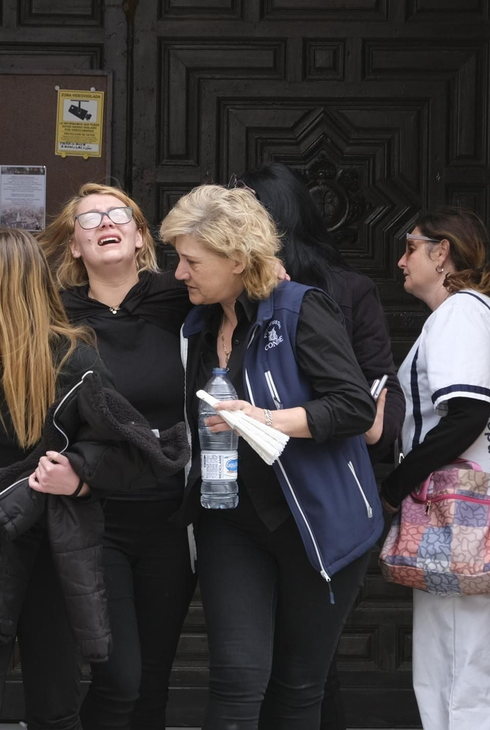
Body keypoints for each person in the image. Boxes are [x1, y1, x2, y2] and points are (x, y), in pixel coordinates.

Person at [0, 229, 189, 730]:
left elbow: (138, 452)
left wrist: (78, 475)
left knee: (54, 710)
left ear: (0, 290)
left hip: (54, 549)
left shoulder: (75, 361)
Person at [159, 185, 383, 730]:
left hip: (317, 520)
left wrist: (265, 418)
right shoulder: (201, 320)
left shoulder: (301, 308)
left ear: (236, 259)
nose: (179, 273)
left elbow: (355, 407)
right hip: (230, 521)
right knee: (236, 681)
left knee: (298, 689)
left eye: (191, 260)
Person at [235, 162, 403, 730]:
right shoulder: (218, 296)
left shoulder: (342, 291)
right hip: (245, 502)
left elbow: (375, 391)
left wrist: (362, 423)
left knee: (307, 666)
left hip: (322, 490)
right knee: (259, 667)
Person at [39, 184, 197, 730]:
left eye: (118, 214)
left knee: (152, 683)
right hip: (95, 517)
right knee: (118, 677)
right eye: (89, 219)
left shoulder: (179, 298)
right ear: (76, 245)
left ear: (139, 235)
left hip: (171, 519)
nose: (105, 222)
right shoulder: (56, 313)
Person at [380, 206, 490, 730]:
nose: (401, 261)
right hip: (478, 501)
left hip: (463, 507)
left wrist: (398, 483)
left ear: (441, 251)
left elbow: (467, 411)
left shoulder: (460, 313)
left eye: (410, 247)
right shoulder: (478, 312)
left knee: (454, 663)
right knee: (458, 659)